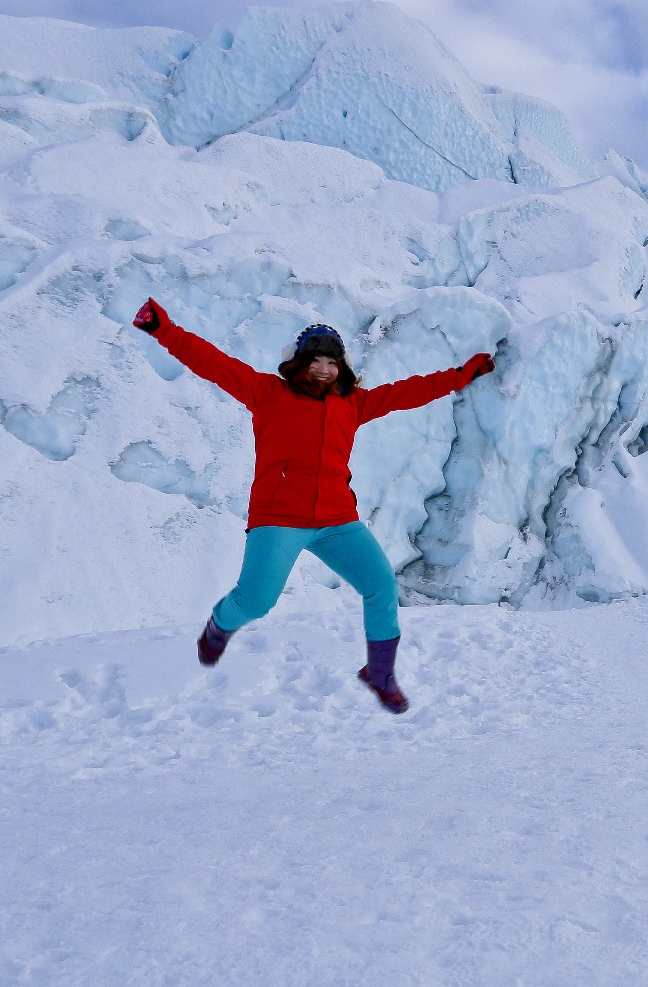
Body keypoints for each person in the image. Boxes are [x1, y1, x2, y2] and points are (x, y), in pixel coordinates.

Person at [132, 297, 494, 712]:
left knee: (380, 586)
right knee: (255, 601)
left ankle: (379, 672)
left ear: (341, 367)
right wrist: (163, 328)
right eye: (314, 361)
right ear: (298, 363)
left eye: (331, 362)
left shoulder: (352, 404)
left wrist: (461, 376)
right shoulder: (267, 393)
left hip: (337, 521)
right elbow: (212, 362)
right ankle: (219, 625)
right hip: (279, 520)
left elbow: (407, 393)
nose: (323, 370)